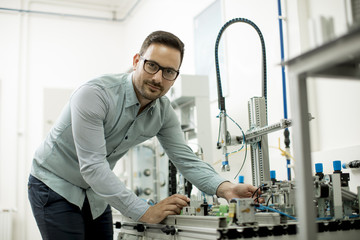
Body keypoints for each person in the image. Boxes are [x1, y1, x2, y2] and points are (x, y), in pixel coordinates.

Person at [28, 30, 259, 240]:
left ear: (175, 77)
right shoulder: (95, 95)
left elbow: (185, 159)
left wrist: (226, 188)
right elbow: (93, 166)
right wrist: (145, 211)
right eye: (152, 66)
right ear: (137, 61)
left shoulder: (162, 111)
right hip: (54, 183)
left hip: (94, 193)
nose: (158, 78)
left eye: (168, 72)